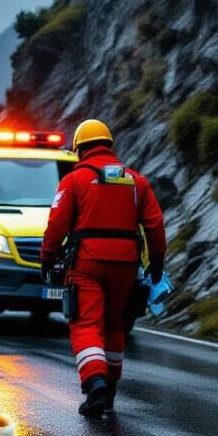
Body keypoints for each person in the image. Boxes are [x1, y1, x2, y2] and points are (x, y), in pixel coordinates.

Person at [41, 120, 166, 419]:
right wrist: (157, 262)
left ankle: (94, 382)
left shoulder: (75, 180)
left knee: (86, 324)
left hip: (87, 263)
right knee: (114, 325)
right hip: (126, 265)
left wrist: (47, 257)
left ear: (80, 149)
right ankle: (108, 392)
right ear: (109, 145)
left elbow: (57, 224)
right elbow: (155, 225)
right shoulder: (137, 181)